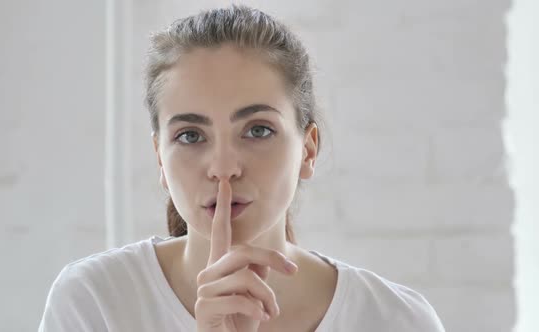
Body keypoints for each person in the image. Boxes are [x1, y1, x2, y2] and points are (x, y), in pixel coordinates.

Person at [38, 5, 445, 331]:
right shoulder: (95, 302)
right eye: (191, 136)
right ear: (161, 158)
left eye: (258, 130)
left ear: (307, 150)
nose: (223, 168)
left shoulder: (396, 320)